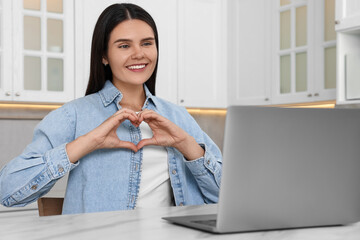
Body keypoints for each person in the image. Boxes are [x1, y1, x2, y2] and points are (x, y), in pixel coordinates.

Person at [0, 3, 222, 214]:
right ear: (104, 55)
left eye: (147, 43)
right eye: (124, 45)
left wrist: (185, 144)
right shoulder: (73, 115)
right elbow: (8, 191)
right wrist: (87, 143)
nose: (139, 54)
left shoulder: (178, 117)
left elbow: (226, 197)